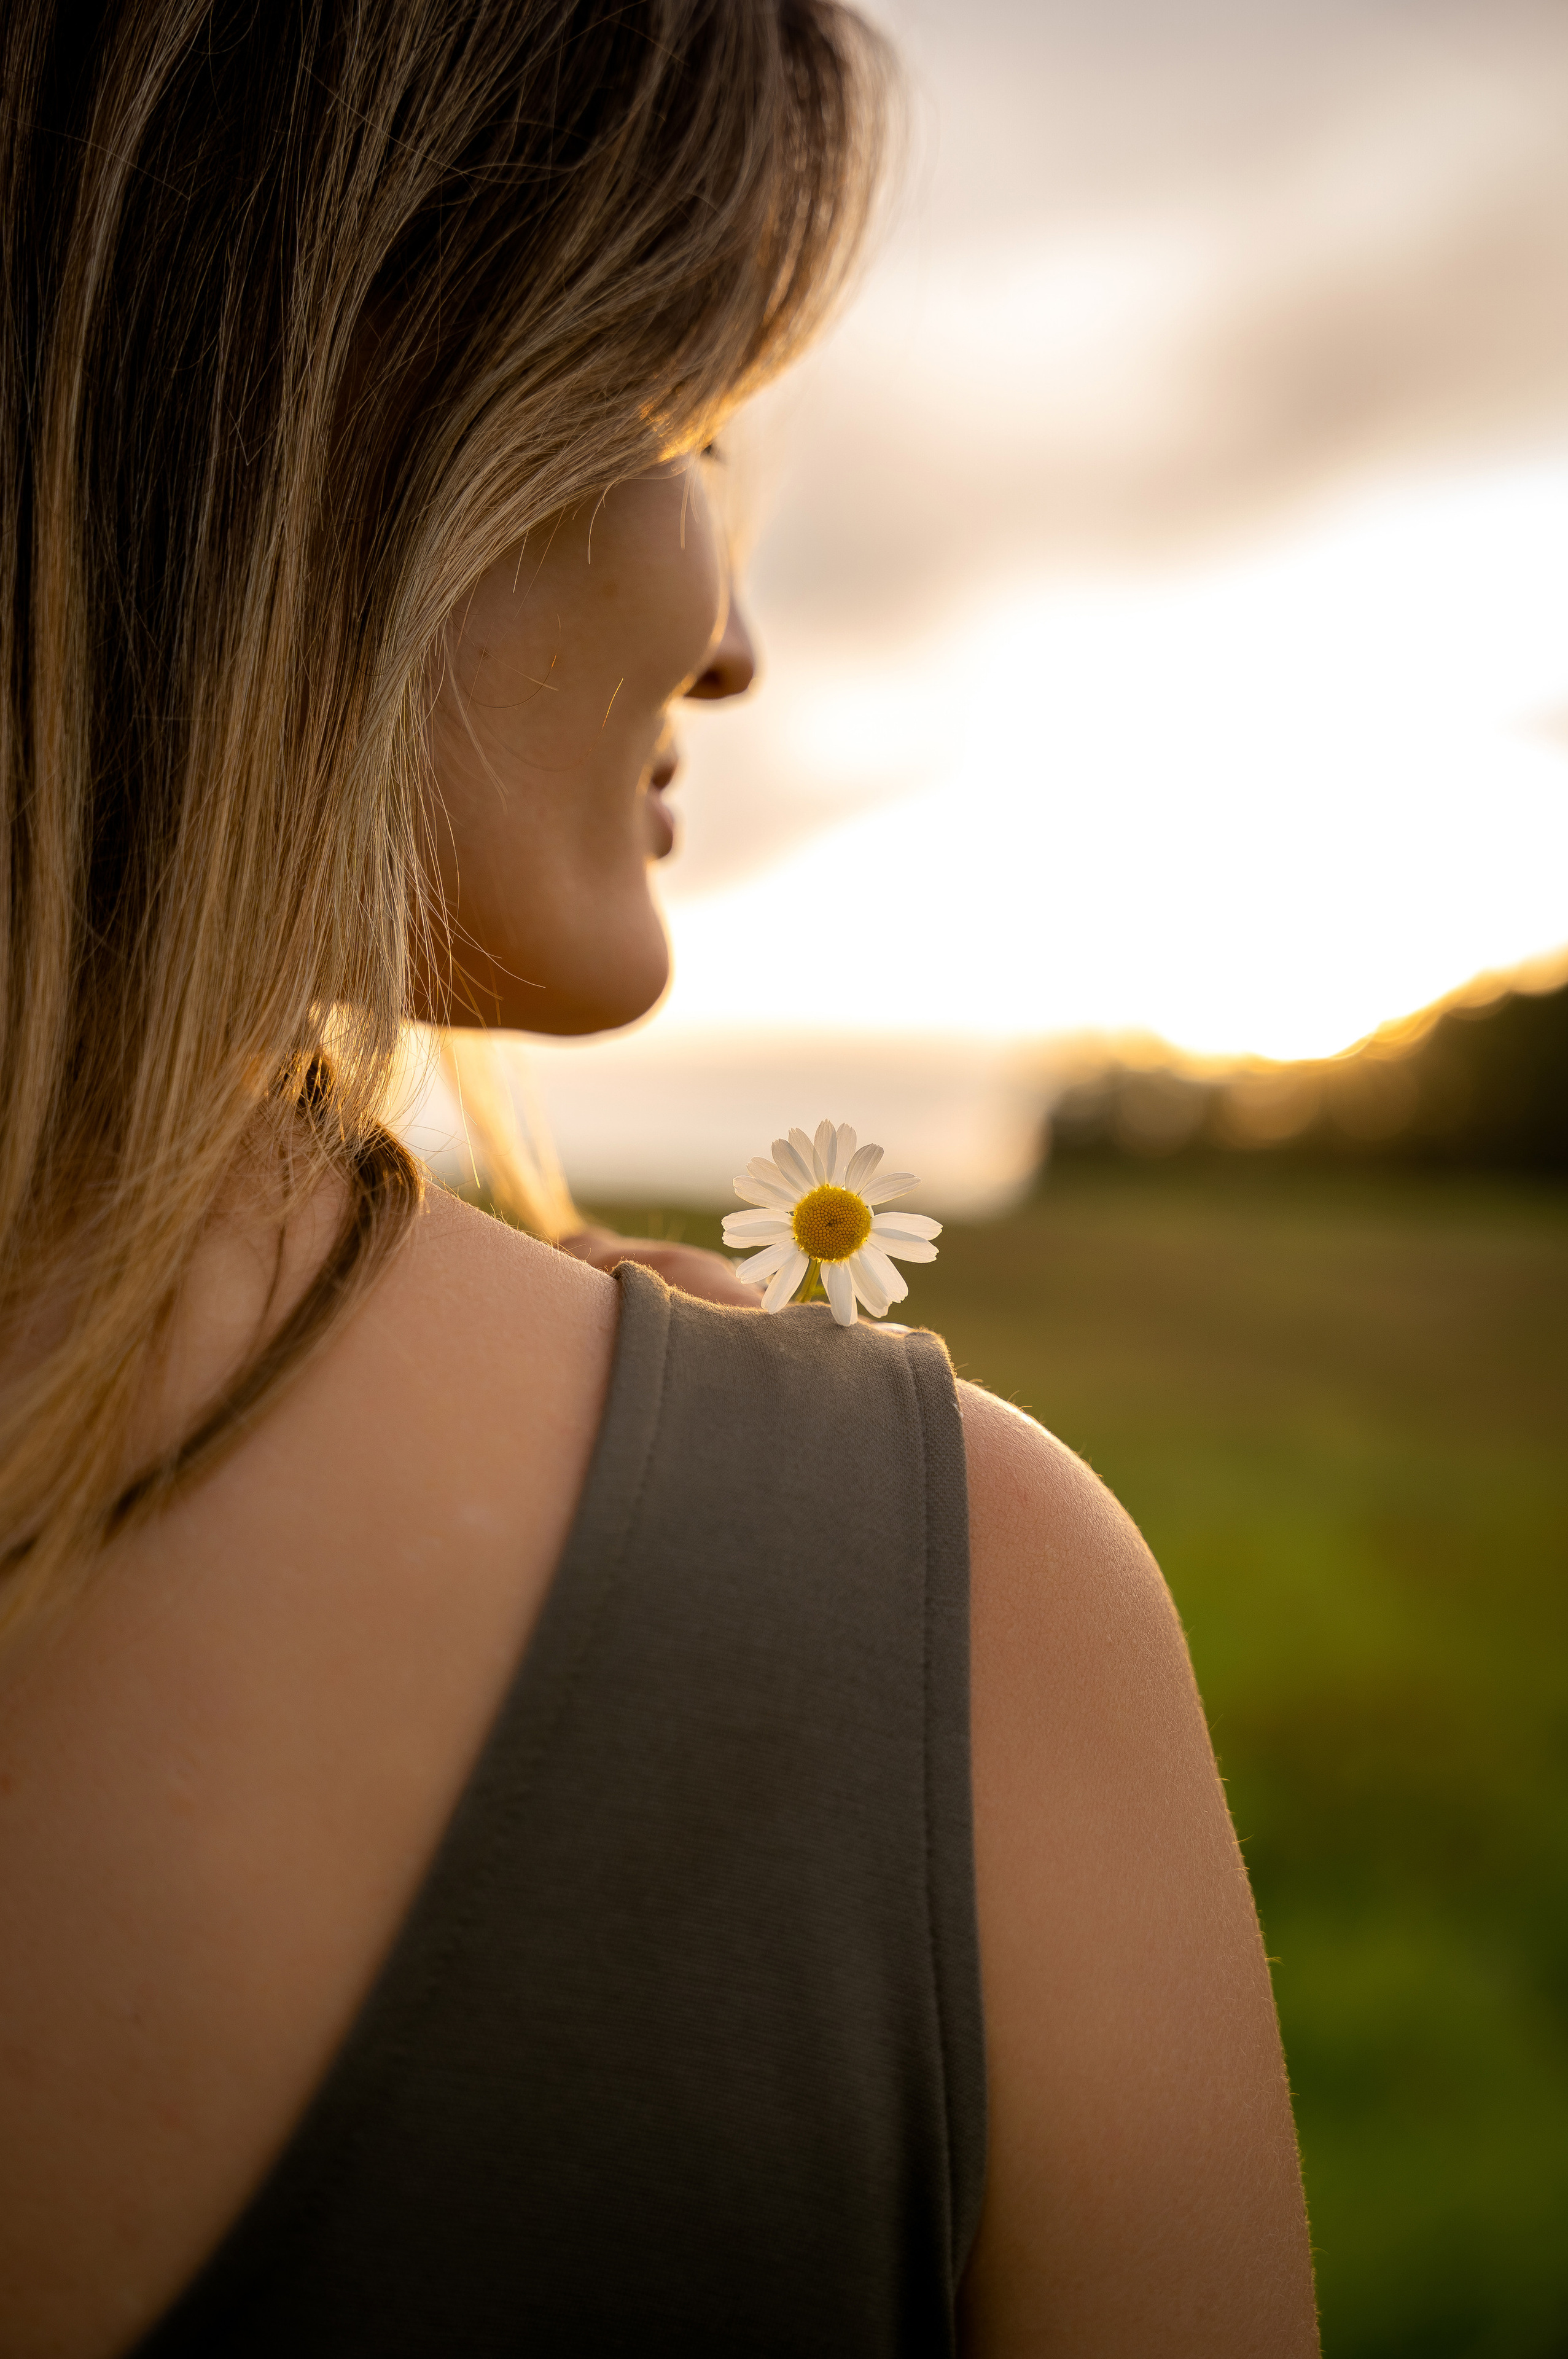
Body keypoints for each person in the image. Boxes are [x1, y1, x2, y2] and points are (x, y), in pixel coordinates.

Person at [0, 1, 1320, 2351]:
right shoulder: (949, 1608)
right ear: (338, 400)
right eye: (681, 422)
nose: (730, 641)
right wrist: (794, 1538)